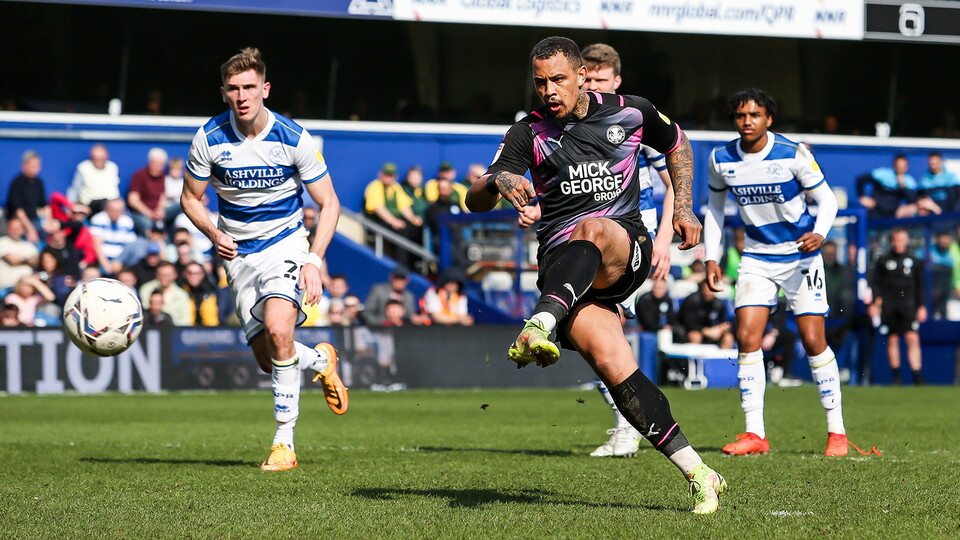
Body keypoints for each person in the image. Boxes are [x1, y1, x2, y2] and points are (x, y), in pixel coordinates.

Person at [464, 37, 725, 514]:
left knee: (594, 226)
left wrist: (684, 207)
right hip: (566, 272)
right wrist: (497, 183)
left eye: (558, 79)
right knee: (614, 366)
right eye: (540, 82)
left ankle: (540, 321)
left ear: (582, 75)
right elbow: (476, 198)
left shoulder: (630, 111)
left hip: (624, 249)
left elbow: (678, 144)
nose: (548, 90)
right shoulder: (527, 133)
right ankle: (699, 472)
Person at [181, 48, 347, 471]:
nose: (242, 96)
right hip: (237, 255)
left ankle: (283, 444)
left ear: (265, 89)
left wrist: (313, 259)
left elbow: (329, 204)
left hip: (286, 245)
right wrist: (214, 232)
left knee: (278, 329)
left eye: (250, 87)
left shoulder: (293, 137)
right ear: (223, 93)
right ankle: (322, 360)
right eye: (233, 89)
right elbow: (190, 198)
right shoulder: (209, 138)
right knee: (269, 356)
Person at [549, 42, 680, 459]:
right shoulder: (560, 128)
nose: (596, 87)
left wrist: (663, 241)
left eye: (603, 79)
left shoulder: (629, 122)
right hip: (586, 238)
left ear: (614, 80)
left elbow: (673, 178)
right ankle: (630, 422)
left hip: (629, 239)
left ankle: (631, 424)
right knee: (599, 334)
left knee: (611, 329)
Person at [704, 88, 850, 457]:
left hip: (800, 256)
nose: (747, 121)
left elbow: (828, 200)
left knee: (813, 339)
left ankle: (837, 432)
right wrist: (711, 257)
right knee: (747, 337)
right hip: (756, 258)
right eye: (741, 116)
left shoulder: (792, 154)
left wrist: (820, 232)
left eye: (755, 115)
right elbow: (716, 212)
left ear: (769, 119)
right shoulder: (721, 159)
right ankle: (755, 434)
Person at [870, 228, 926, 385]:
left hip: (908, 305)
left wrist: (921, 306)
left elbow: (920, 286)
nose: (899, 243)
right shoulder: (883, 261)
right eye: (896, 240)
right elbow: (876, 284)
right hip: (889, 305)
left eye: (902, 240)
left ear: (907, 241)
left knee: (912, 338)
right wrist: (877, 303)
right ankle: (896, 377)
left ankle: (917, 376)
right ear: (892, 241)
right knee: (892, 339)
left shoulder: (914, 261)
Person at [856, 154, 919, 219]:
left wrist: (902, 186)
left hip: (894, 214)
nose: (900, 168)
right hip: (876, 211)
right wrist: (862, 197)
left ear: (907, 167)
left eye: (902, 166)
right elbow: (861, 179)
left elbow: (912, 201)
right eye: (898, 166)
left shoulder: (910, 182)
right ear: (894, 165)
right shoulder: (883, 174)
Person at [6, 150, 49, 244]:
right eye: (32, 166)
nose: (36, 169)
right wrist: (30, 229)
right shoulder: (17, 183)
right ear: (24, 166)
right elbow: (18, 211)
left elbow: (44, 205)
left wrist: (50, 222)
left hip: (35, 220)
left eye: (37, 166)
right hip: (20, 221)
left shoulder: (39, 182)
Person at [677, 279, 734, 348]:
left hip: (713, 332)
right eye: (708, 287)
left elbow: (723, 321)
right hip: (694, 331)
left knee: (728, 337)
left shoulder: (719, 304)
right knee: (695, 336)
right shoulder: (691, 300)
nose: (710, 290)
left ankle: (724, 358)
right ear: (703, 288)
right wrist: (706, 331)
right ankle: (695, 358)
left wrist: (721, 329)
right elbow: (688, 323)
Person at [88, 198, 137, 276]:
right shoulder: (99, 219)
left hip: (121, 262)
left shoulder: (127, 221)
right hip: (103, 261)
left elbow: (130, 245)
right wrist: (106, 264)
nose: (116, 213)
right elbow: (96, 244)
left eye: (119, 210)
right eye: (113, 210)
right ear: (106, 209)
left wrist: (120, 262)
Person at [127, 147, 170, 236]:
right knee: (147, 224)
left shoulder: (164, 178)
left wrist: (160, 210)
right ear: (150, 162)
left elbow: (163, 196)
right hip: (141, 214)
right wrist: (150, 214)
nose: (158, 166)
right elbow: (133, 201)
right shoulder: (139, 176)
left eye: (161, 164)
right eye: (156, 163)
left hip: (159, 213)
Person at [68, 143, 121, 215]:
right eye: (96, 158)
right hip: (90, 205)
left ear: (106, 157)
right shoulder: (83, 167)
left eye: (101, 158)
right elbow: (74, 189)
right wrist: (71, 206)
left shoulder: (113, 167)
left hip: (113, 205)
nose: (98, 161)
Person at [0, 218, 40, 291]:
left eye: (18, 228)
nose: (15, 230)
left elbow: (37, 262)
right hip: (8, 288)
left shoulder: (29, 246)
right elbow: (13, 260)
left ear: (23, 230)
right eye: (12, 228)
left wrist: (21, 259)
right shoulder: (2, 242)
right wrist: (29, 260)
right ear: (8, 229)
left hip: (28, 289)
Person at [917, 151, 960, 216]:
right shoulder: (924, 180)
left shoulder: (952, 178)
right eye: (931, 161)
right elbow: (921, 200)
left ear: (940, 162)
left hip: (951, 215)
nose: (932, 163)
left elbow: (957, 199)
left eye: (935, 161)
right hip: (933, 217)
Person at [180, 261, 219, 326]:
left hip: (208, 331)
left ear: (202, 275)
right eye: (190, 273)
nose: (193, 276)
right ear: (185, 274)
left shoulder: (211, 293)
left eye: (197, 273)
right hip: (185, 330)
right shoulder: (180, 293)